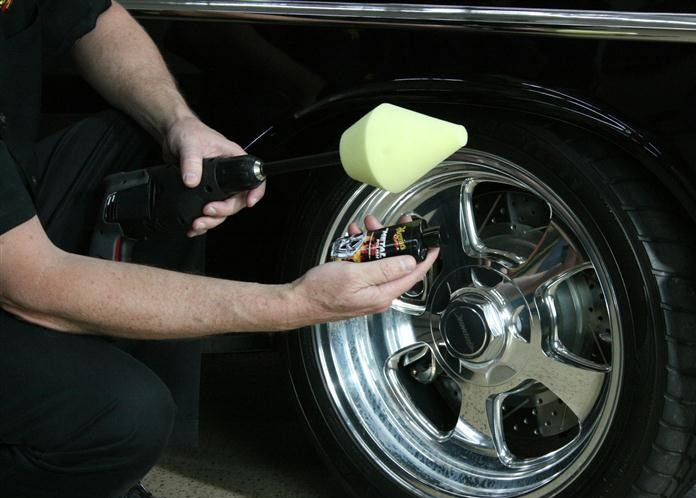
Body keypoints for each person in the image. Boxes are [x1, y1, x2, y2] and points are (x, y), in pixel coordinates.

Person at [0, 1, 438, 497]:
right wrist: (295, 304)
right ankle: (80, 442)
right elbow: (33, 281)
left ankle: (108, 470)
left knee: (166, 174)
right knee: (127, 413)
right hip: (18, 267)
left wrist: (176, 121)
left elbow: (94, 17)